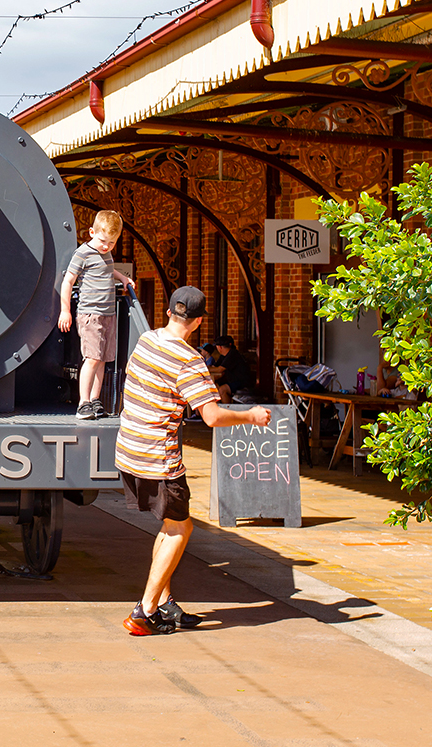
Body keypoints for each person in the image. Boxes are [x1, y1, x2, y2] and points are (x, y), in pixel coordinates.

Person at [117, 286, 270, 635]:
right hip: (158, 456)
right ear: (199, 321)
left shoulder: (147, 340)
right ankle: (145, 611)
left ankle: (165, 605)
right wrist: (251, 416)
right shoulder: (189, 361)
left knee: (170, 524)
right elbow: (213, 416)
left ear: (170, 312)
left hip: (128, 448)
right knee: (179, 529)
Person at [58, 210, 135, 419]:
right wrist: (65, 310)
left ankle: (95, 399)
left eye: (111, 243)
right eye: (102, 241)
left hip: (108, 314)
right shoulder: (83, 253)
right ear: (92, 232)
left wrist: (123, 278)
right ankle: (83, 402)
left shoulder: (105, 253)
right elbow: (68, 281)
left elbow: (107, 270)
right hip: (91, 314)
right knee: (92, 358)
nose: (106, 246)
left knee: (102, 359)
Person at [208, 334, 253, 404]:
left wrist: (205, 369)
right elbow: (215, 366)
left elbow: (220, 369)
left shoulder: (232, 354)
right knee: (214, 387)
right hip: (232, 380)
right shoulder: (223, 356)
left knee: (223, 390)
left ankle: (227, 412)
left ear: (219, 347)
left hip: (242, 382)